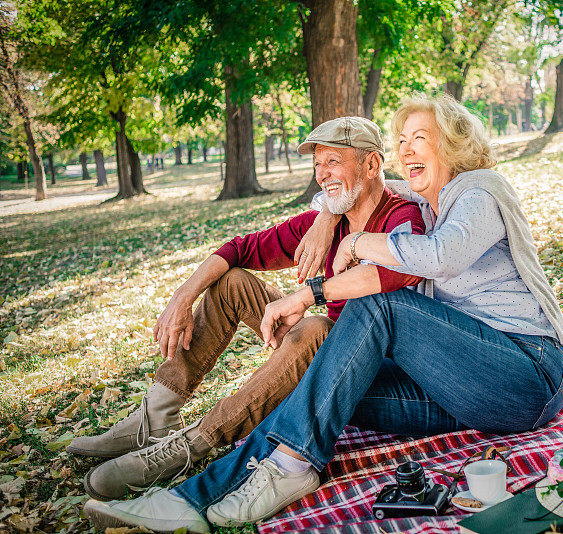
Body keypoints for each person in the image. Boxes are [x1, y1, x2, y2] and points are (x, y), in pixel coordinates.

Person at [83, 93, 563, 533]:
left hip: (526, 371)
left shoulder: (479, 189)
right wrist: (327, 216)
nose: (407, 149)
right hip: (465, 390)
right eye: (402, 139)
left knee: (373, 309)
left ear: (454, 144)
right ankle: (192, 495)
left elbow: (436, 256)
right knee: (312, 386)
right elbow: (267, 237)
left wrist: (325, 274)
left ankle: (287, 464)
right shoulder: (424, 203)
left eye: (419, 138)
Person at [71, 116, 425, 503]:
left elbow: (397, 271)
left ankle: (193, 443)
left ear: (372, 165)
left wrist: (309, 293)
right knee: (231, 281)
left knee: (316, 329)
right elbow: (239, 248)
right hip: (319, 343)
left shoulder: (403, 217)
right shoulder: (326, 220)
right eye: (317, 164)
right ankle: (160, 410)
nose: (322, 175)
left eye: (333, 162)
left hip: (373, 371)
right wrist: (181, 299)